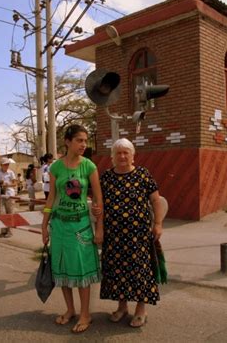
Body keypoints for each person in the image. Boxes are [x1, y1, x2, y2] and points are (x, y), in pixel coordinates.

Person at [40, 124, 104, 334]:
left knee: (81, 270)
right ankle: (70, 310)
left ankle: (85, 314)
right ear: (67, 141)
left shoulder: (89, 167)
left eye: (85, 140)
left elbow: (98, 199)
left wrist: (99, 228)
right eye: (79, 140)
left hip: (81, 227)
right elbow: (52, 197)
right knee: (63, 271)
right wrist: (44, 224)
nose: (84, 144)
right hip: (59, 226)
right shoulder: (56, 168)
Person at [99, 138, 164, 328]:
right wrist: (99, 225)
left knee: (139, 271)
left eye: (126, 152)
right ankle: (122, 307)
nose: (122, 156)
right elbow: (99, 204)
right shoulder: (106, 177)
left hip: (139, 235)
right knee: (117, 271)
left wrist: (158, 224)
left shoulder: (143, 175)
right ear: (113, 156)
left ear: (132, 156)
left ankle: (141, 309)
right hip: (114, 236)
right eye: (118, 153)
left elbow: (156, 201)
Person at [0, 157, 17, 237]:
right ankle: (3, 231)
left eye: (7, 164)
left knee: (10, 213)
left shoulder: (11, 173)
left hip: (9, 195)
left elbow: (15, 184)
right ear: (1, 165)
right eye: (5, 164)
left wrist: (8, 184)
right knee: (2, 213)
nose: (7, 166)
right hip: (1, 194)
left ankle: (9, 231)